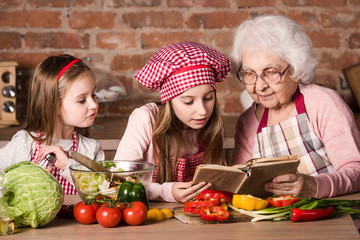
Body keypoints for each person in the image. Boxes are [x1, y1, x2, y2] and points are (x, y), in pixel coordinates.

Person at [230, 15, 360, 199]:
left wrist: (315, 186)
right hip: (278, 223)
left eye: (271, 72)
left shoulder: (322, 103)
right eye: (250, 73)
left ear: (296, 70)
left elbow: (356, 171)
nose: (260, 86)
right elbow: (242, 184)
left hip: (332, 219)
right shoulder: (247, 122)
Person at [114, 41, 231, 202]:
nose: (203, 111)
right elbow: (118, 179)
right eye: (189, 101)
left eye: (208, 98)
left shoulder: (213, 128)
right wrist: (165, 192)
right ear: (169, 101)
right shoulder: (145, 119)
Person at [0, 54, 104, 194]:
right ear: (54, 106)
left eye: (93, 95)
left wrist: (68, 166)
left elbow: (102, 192)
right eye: (82, 100)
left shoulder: (91, 149)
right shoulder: (25, 144)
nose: (93, 104)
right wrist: (27, 179)